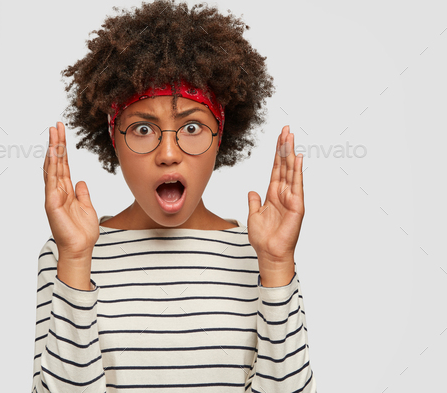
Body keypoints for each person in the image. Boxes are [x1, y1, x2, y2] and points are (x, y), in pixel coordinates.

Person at [31, 0, 316, 391]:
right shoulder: (67, 251)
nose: (168, 154)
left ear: (221, 139)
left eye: (193, 128)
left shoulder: (258, 252)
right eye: (144, 130)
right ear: (114, 139)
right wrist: (77, 261)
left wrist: (278, 265)